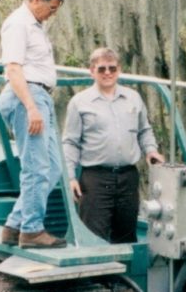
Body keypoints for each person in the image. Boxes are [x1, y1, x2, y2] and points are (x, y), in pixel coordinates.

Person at [63, 47, 164, 244]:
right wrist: (70, 177)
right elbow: (70, 142)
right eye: (101, 69)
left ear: (119, 69)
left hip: (128, 177)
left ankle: (122, 275)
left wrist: (151, 150)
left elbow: (144, 130)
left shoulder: (133, 98)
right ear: (92, 71)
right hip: (95, 179)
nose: (107, 73)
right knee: (93, 237)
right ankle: (94, 276)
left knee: (126, 235)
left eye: (112, 68)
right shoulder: (79, 102)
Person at [0, 0, 67, 249]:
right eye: (51, 8)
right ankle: (32, 230)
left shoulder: (35, 26)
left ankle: (14, 225)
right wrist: (30, 107)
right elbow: (14, 69)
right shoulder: (19, 24)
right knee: (35, 167)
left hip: (41, 97)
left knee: (52, 167)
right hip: (26, 97)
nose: (53, 13)